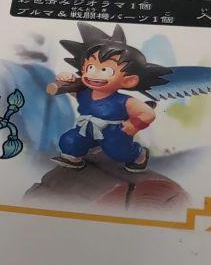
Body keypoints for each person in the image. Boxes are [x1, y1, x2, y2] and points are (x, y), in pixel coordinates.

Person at [50, 23, 169, 173]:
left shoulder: (124, 101)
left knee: (119, 152)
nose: (93, 74)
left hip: (114, 133)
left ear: (129, 80)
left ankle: (139, 154)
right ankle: (73, 157)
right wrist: (66, 79)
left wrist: (133, 125)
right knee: (69, 141)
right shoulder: (85, 93)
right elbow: (73, 92)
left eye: (106, 70)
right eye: (90, 67)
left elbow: (148, 113)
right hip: (85, 129)